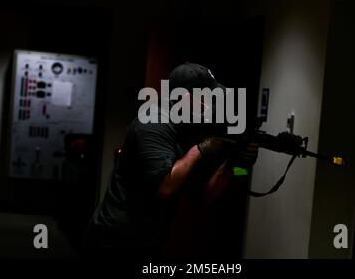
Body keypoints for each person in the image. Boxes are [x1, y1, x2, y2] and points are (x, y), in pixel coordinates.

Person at [82, 63, 258, 259]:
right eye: (207, 95)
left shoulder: (188, 126)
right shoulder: (154, 122)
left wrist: (236, 165)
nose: (211, 101)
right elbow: (164, 187)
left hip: (148, 239)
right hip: (115, 239)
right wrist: (199, 150)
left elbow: (206, 195)